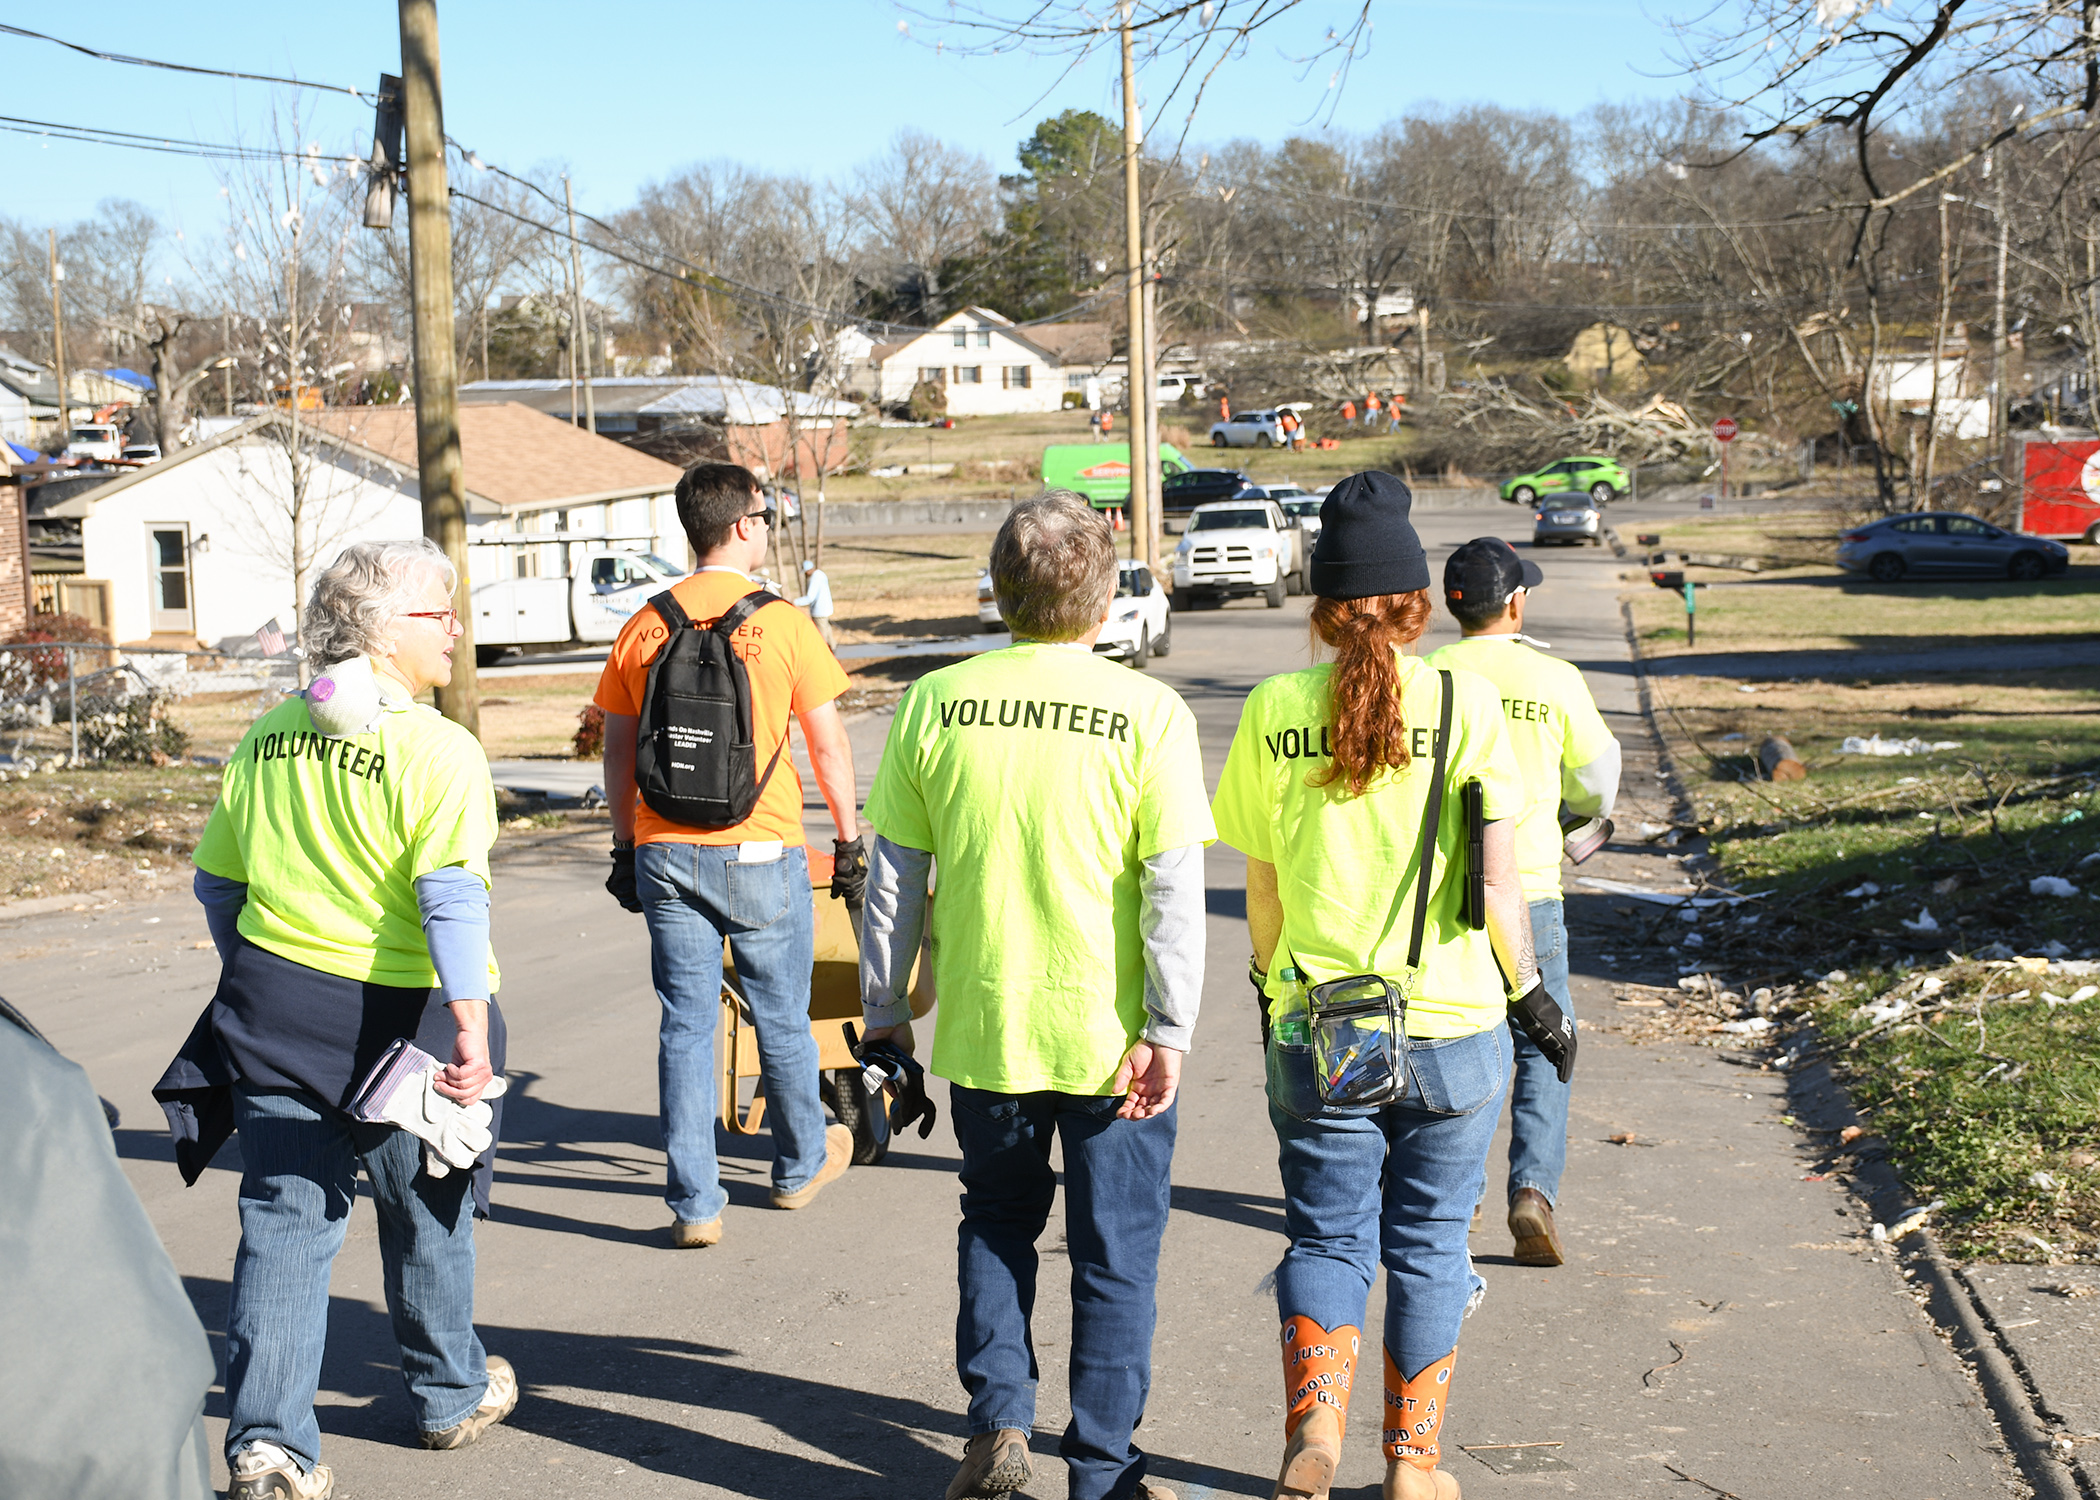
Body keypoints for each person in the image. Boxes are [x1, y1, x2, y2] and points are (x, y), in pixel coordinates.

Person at [857, 490, 1213, 1500]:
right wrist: (1169, 1025)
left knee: (998, 1223)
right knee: (1115, 1252)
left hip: (987, 1028)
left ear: (999, 593)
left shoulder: (935, 702)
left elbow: (894, 882)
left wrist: (887, 1009)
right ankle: (1101, 1465)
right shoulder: (1150, 712)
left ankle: (999, 1425)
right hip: (1113, 1043)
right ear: (1104, 600)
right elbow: (1171, 890)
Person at [153, 538, 516, 1500]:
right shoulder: (439, 747)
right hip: (407, 1029)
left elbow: (218, 882)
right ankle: (448, 1395)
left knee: (284, 1227)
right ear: (386, 630)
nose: (456, 629)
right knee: (428, 1207)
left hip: (275, 1015)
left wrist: (257, 971)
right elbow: (451, 898)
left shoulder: (268, 733)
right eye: (441, 614)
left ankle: (270, 1449)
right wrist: (473, 1027)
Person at [1211, 471, 1546, 1500]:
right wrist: (1530, 992)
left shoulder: (1273, 710)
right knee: (1432, 1243)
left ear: (1321, 604)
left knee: (1325, 1237)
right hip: (1453, 1024)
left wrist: (1274, 991)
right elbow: (1499, 883)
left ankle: (1314, 1436)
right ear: (1417, 602)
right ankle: (1414, 1467)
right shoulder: (1467, 700)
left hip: (1323, 1028)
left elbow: (1260, 884)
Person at [595, 462, 866, 1249]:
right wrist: (848, 840)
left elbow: (617, 753)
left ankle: (696, 1206)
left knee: (684, 1025)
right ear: (744, 525)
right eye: (765, 518)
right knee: (780, 1015)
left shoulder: (644, 625)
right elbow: (829, 747)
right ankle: (797, 1166)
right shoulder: (782, 623)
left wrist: (624, 841)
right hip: (760, 846)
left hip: (665, 849)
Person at [1427, 539, 1619, 1267]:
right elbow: (1599, 778)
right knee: (1547, 1044)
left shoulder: (1425, 676)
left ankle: (1459, 1190)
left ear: (1450, 605)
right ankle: (1532, 1192)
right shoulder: (1555, 678)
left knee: (1458, 1040)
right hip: (1531, 887)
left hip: (1444, 893)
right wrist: (1570, 815)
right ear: (1516, 603)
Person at [4, 994, 215, 1500]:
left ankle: (268, 1442)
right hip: (110, 1440)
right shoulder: (34, 1076)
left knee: (285, 1221)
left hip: (276, 984)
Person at [794, 557, 837, 649]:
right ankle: (833, 648)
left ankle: (824, 652)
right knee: (827, 630)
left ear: (808, 570)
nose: (806, 575)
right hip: (826, 608)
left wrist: (795, 602)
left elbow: (810, 597)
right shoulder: (821, 574)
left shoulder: (815, 578)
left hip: (819, 611)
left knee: (821, 634)